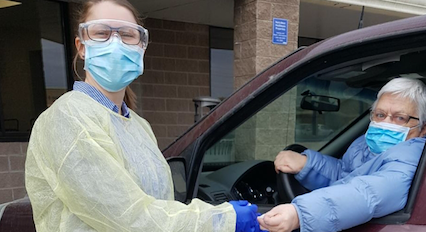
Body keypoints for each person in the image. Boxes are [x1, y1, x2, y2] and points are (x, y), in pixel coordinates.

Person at [24, 0, 261, 231]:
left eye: (127, 35)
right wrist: (222, 220)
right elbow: (128, 217)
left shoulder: (138, 125)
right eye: (101, 33)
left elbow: (159, 208)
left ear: (141, 46)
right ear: (82, 47)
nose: (115, 43)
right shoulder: (67, 118)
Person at [258, 77, 426, 232]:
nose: (385, 123)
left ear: (424, 128)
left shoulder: (412, 158)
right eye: (380, 114)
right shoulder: (367, 144)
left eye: (400, 118)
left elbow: (366, 194)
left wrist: (300, 214)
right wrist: (307, 164)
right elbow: (345, 175)